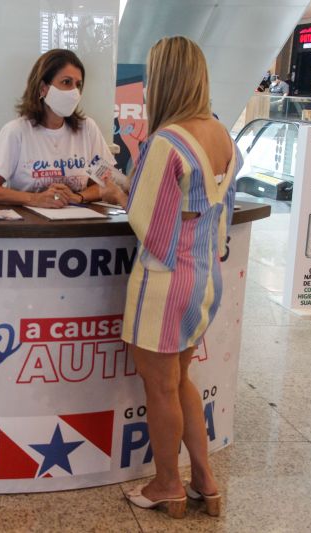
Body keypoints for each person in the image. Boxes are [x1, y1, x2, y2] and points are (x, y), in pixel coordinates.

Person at [100, 36, 241, 519]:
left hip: (164, 281)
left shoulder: (168, 140)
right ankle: (204, 480)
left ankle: (167, 485)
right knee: (181, 379)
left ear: (164, 80)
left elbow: (147, 222)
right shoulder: (223, 135)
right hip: (204, 278)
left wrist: (117, 194)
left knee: (159, 387)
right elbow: (210, 212)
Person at [0, 49, 118, 208]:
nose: (74, 92)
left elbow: (106, 184)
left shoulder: (88, 128)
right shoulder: (16, 131)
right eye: (66, 82)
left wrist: (78, 197)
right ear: (43, 87)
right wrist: (35, 199)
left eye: (78, 85)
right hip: (30, 226)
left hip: (77, 223)